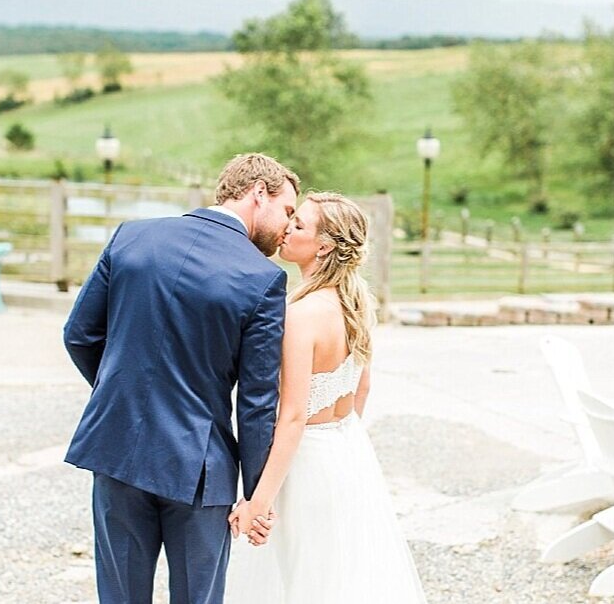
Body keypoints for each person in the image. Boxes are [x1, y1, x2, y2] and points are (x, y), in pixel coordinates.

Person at [63, 153, 299, 604]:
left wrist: (121, 396)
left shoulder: (132, 237)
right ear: (258, 193)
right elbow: (255, 403)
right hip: (199, 468)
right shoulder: (263, 278)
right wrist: (254, 495)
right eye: (288, 210)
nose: (287, 225)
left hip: (117, 450)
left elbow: (79, 335)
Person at [226, 192, 428, 603]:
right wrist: (342, 441)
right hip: (347, 454)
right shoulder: (358, 305)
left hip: (305, 466)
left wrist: (257, 502)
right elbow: (361, 388)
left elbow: (294, 417)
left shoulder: (300, 315)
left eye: (298, 225)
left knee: (304, 579)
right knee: (342, 576)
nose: (286, 229)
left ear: (324, 245)